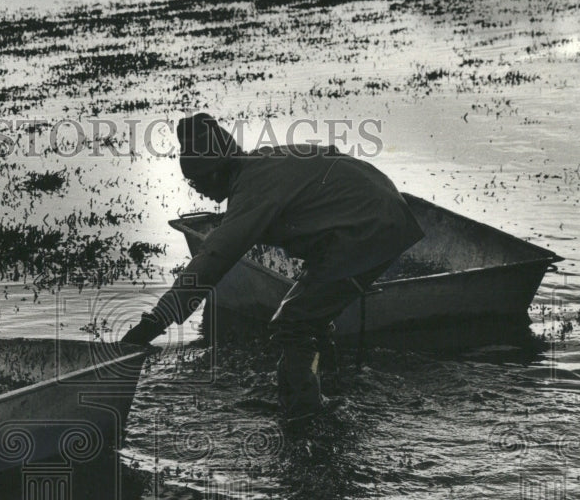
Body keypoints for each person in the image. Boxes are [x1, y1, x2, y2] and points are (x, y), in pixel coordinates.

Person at [121, 113, 424, 420]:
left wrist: (152, 323)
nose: (198, 191)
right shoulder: (257, 167)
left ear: (215, 172)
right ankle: (329, 386)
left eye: (196, 181)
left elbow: (212, 261)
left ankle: (303, 414)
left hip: (368, 226)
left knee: (293, 322)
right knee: (310, 314)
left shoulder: (253, 188)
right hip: (374, 213)